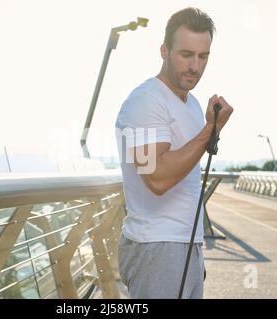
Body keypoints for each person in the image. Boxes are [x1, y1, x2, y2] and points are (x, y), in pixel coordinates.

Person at [115, 7, 234, 299]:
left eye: (202, 56)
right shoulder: (144, 101)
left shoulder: (191, 105)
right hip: (156, 248)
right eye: (185, 54)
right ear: (164, 51)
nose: (195, 66)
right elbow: (157, 178)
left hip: (186, 245)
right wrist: (210, 129)